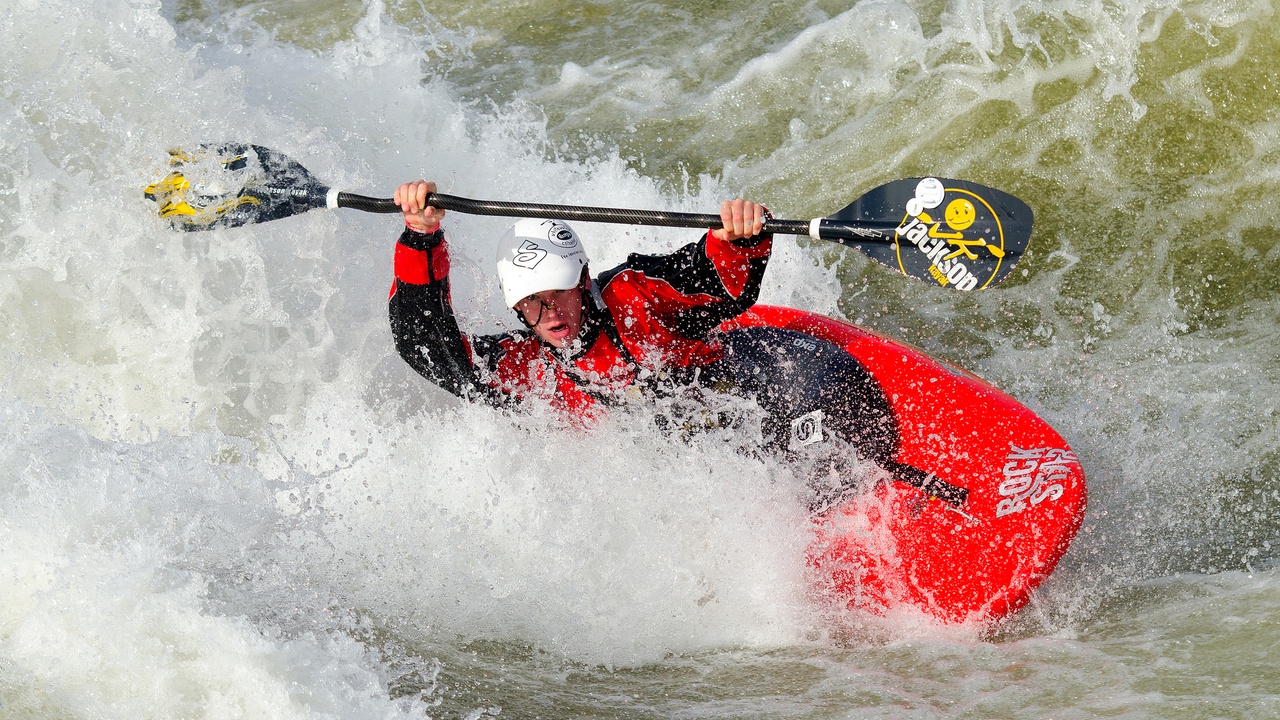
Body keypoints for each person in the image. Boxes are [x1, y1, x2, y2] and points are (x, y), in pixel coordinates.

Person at [387, 179, 773, 419]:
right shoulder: (526, 368)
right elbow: (424, 345)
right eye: (532, 302)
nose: (551, 314)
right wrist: (421, 238)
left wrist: (736, 240)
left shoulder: (633, 295)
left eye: (559, 294)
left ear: (582, 281)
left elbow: (711, 280)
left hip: (735, 400)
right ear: (517, 307)